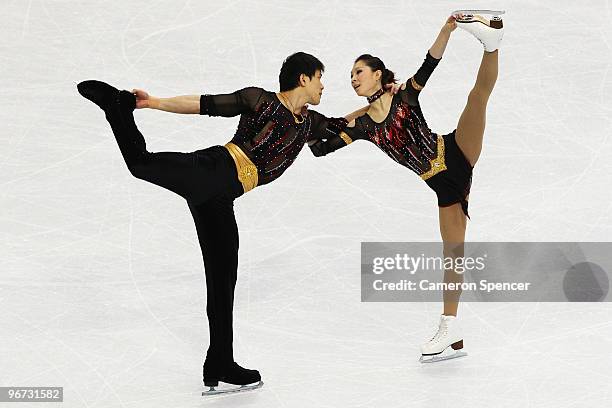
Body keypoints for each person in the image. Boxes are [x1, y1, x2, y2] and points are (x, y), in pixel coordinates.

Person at [76, 52, 358, 394]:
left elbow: (343, 127)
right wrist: (152, 103)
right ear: (303, 79)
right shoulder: (260, 100)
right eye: (319, 78)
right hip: (213, 170)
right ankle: (116, 107)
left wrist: (382, 102)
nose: (322, 85)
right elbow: (203, 104)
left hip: (221, 199)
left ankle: (219, 361)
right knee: (141, 163)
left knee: (223, 279)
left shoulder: (309, 123)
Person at [308, 11, 504, 363]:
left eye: (359, 72)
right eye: (351, 76)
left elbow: (431, 62)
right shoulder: (364, 126)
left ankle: (492, 43)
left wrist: (447, 28)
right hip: (441, 187)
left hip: (456, 150)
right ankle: (452, 328)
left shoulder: (406, 96)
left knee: (477, 98)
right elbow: (321, 148)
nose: (353, 79)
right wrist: (308, 117)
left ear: (377, 74)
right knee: (453, 253)